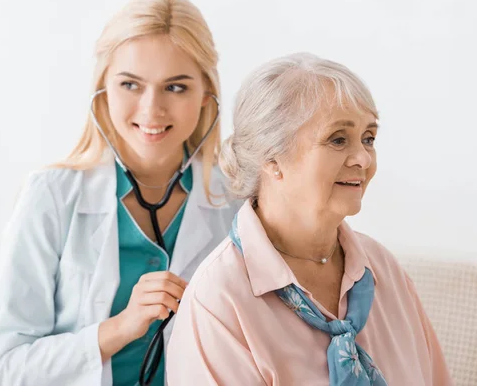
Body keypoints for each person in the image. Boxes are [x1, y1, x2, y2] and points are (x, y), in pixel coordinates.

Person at [0, 0, 239, 386]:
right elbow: (4, 370)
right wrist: (120, 328)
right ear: (103, 88)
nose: (152, 109)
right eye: (131, 85)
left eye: (176, 87)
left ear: (206, 94)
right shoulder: (52, 196)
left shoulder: (237, 204)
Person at [167, 52, 453, 385]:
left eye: (369, 138)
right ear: (272, 157)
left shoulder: (383, 269)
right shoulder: (219, 300)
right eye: (338, 139)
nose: (362, 158)